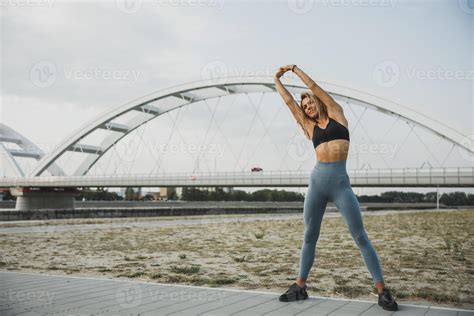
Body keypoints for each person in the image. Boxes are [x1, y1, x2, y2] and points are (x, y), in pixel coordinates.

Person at [274, 64, 398, 311]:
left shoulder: (337, 114)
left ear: (317, 103)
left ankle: (382, 291)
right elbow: (289, 102)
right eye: (305, 107)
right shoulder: (309, 127)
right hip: (317, 184)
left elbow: (315, 88)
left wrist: (295, 71)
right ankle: (300, 286)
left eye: (310, 103)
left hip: (341, 185)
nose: (307, 108)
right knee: (310, 234)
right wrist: (277, 79)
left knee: (360, 236)